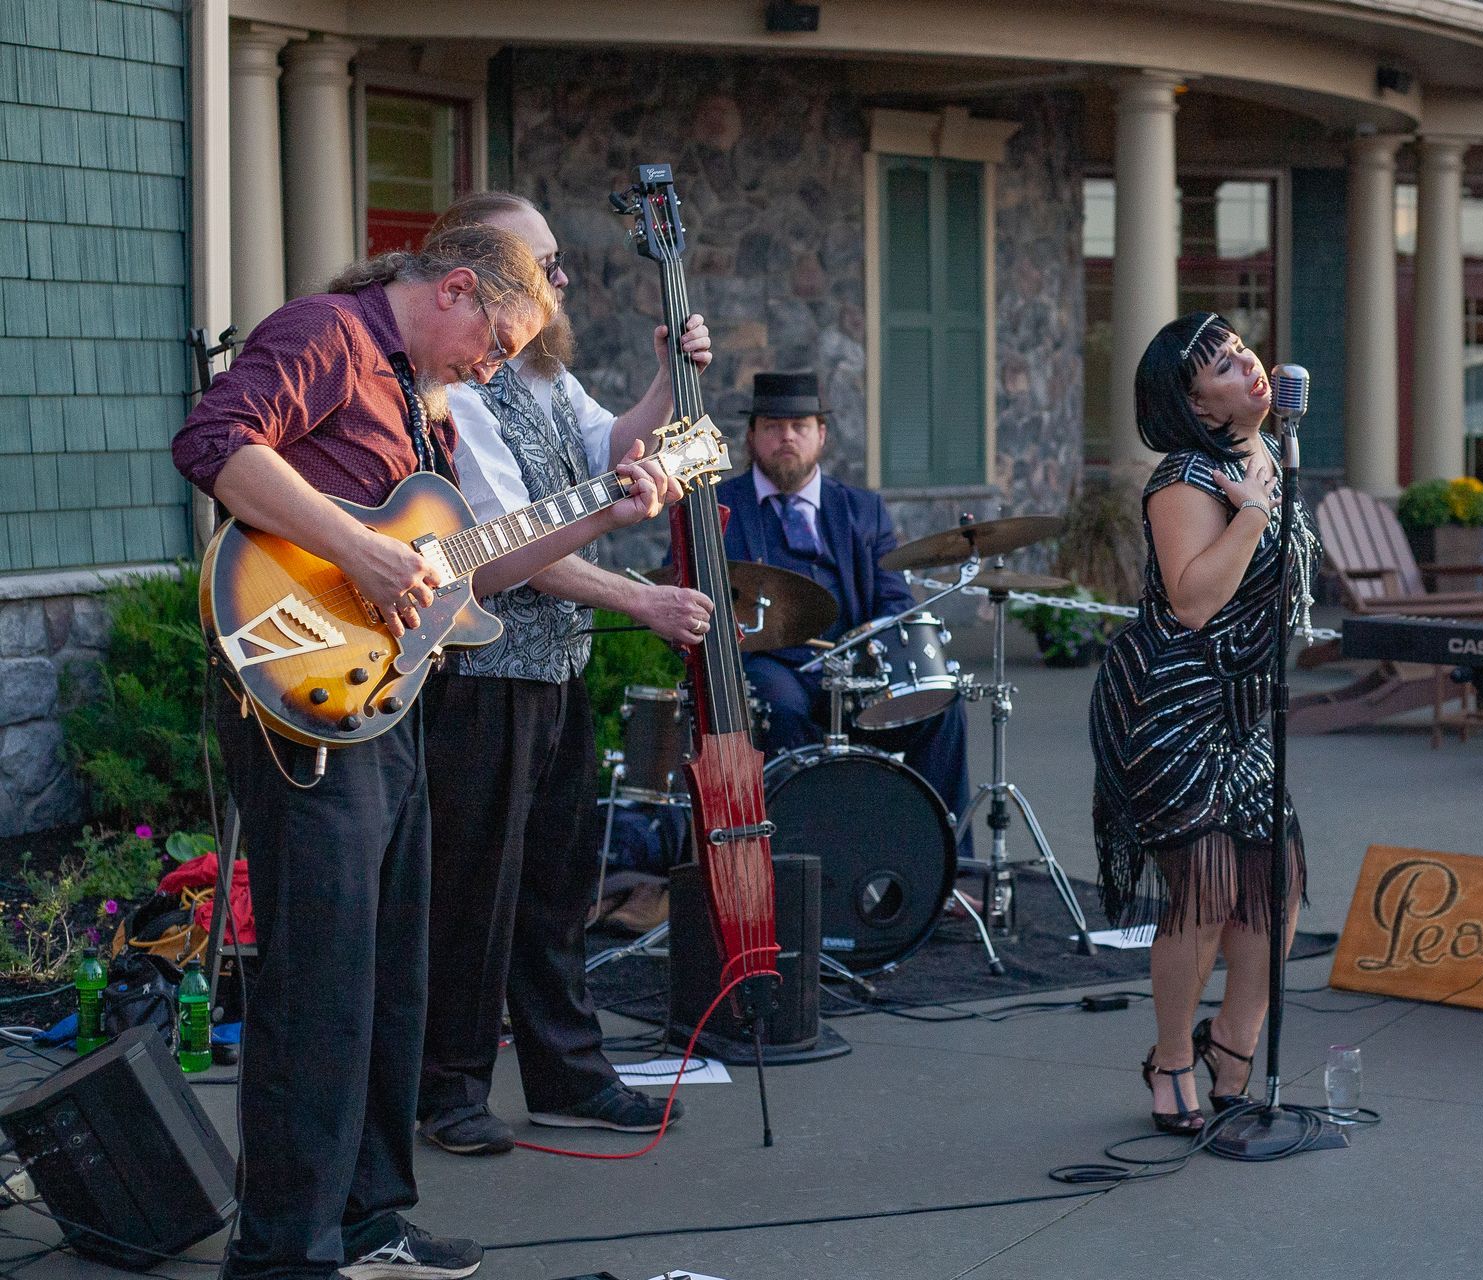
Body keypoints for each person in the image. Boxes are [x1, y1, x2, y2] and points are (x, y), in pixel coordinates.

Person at [173, 225, 682, 1280]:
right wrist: (359, 549)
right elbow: (215, 441)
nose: (491, 369)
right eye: (495, 343)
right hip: (299, 695)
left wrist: (605, 511)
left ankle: (367, 1219)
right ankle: (281, 1254)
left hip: (389, 704)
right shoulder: (326, 332)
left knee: (392, 976)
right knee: (320, 981)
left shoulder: (417, 392)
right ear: (454, 287)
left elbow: (471, 572)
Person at [412, 193, 717, 1158]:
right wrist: (643, 600)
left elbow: (613, 452)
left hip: (555, 669)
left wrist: (668, 380)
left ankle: (567, 1078)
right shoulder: (457, 389)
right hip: (480, 676)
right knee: (474, 896)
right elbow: (509, 549)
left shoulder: (543, 370)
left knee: (555, 889)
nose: (561, 279)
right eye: (544, 265)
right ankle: (448, 1092)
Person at [1089, 312, 1316, 1134]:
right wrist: (1252, 515)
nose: (1248, 364)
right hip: (1174, 704)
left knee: (1275, 881)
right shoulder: (1187, 476)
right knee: (1209, 886)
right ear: (1194, 405)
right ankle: (1171, 1060)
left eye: (1241, 349)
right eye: (1221, 366)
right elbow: (1191, 603)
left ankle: (1233, 1046)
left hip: (1245, 705)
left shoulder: (1271, 454)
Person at [710, 372, 973, 859]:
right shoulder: (717, 507)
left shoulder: (861, 508)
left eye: (800, 426)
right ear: (751, 436)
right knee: (781, 707)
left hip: (852, 665)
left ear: (822, 435)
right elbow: (689, 595)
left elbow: (895, 599)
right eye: (772, 426)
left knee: (941, 708)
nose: (787, 437)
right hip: (769, 665)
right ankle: (808, 859)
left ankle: (948, 864)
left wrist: (875, 638)